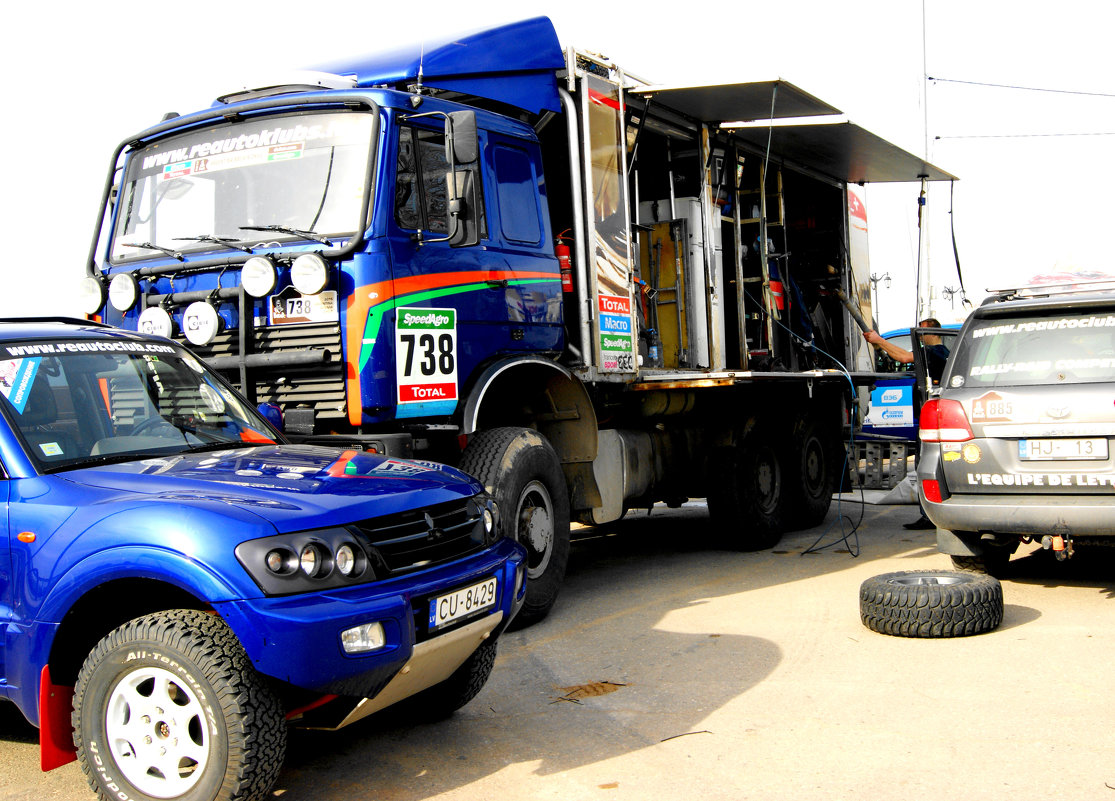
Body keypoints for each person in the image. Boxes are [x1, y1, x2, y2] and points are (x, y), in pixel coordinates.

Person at [863, 318, 950, 530]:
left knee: (925, 467)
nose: (919, 339)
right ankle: (931, 514)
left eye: (921, 333)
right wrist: (881, 344)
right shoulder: (942, 352)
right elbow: (900, 357)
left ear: (931, 333)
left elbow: (903, 356)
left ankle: (929, 516)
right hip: (933, 419)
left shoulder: (934, 352)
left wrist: (878, 340)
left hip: (931, 421)